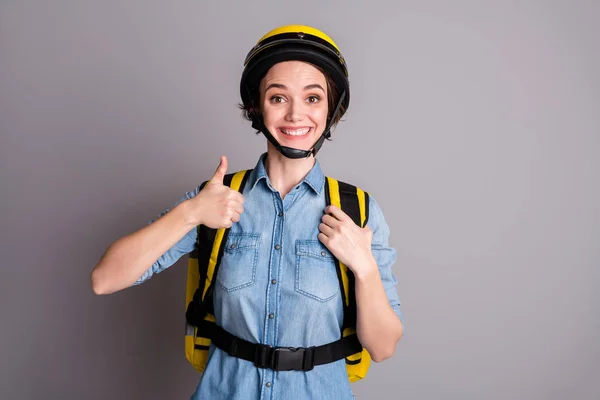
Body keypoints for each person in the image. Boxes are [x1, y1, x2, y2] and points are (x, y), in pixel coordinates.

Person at [91, 24, 404, 400]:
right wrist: (190, 212)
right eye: (277, 98)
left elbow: (383, 348)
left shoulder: (358, 212)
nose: (295, 115)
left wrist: (364, 266)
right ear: (256, 106)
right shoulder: (216, 199)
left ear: (331, 108)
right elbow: (104, 279)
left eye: (312, 98)